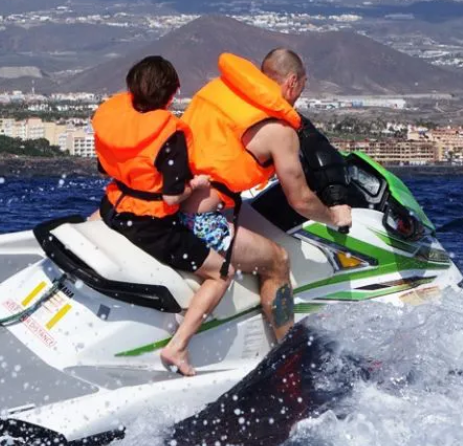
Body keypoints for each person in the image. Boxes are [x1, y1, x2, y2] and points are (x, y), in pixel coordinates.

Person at [179, 48, 352, 343]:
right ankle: (286, 352)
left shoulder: (218, 90)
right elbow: (300, 200)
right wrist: (333, 216)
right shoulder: (278, 131)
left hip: (170, 204)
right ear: (293, 82)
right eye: (301, 89)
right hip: (199, 221)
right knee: (277, 261)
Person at [91, 55, 232, 376]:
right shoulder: (169, 135)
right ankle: (178, 347)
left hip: (112, 208)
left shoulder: (110, 117)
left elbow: (104, 168)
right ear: (171, 94)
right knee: (223, 272)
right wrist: (195, 184)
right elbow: (171, 196)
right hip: (149, 226)